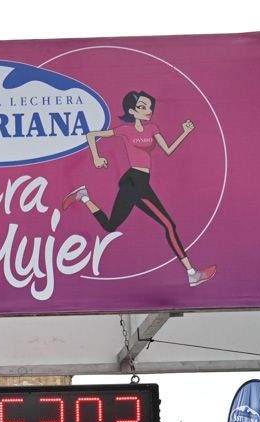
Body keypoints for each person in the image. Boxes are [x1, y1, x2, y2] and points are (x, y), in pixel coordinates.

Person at [62, 89, 216, 287]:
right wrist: (96, 157)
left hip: (141, 182)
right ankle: (192, 274)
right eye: (142, 107)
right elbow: (91, 135)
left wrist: (184, 133)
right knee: (168, 225)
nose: (148, 110)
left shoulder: (152, 128)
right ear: (132, 111)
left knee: (110, 226)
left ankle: (83, 197)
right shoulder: (125, 130)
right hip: (134, 181)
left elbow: (168, 150)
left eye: (149, 107)